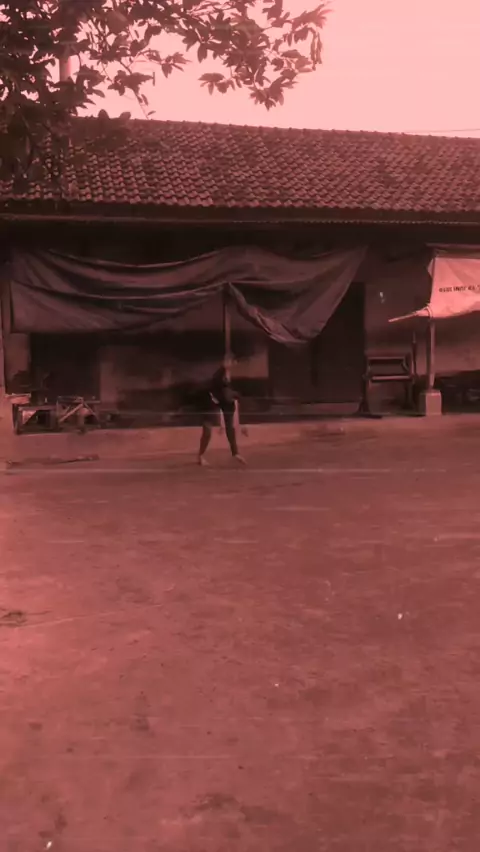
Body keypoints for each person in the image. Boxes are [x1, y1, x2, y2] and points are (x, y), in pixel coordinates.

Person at [197, 365, 246, 466]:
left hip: (222, 402)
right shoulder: (213, 388)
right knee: (207, 431)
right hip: (208, 402)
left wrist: (235, 452)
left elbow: (229, 428)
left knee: (229, 428)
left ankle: (235, 453)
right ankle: (200, 455)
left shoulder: (230, 398)